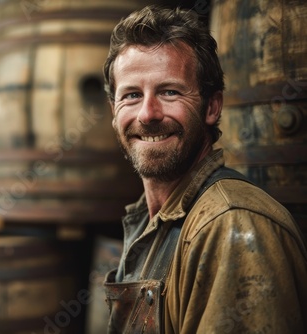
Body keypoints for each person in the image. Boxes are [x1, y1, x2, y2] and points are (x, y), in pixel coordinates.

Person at [102, 5, 307, 334]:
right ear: (114, 112)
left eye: (169, 92)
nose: (147, 113)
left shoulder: (231, 226)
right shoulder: (149, 219)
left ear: (212, 107)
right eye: (132, 95)